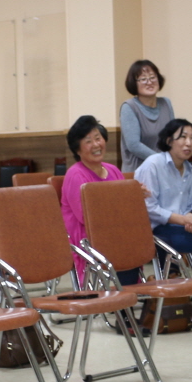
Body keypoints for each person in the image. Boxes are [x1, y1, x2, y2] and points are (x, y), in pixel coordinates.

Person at [133, 118, 192, 318]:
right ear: (169, 140)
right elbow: (147, 208)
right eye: (182, 137)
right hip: (157, 231)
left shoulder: (189, 170)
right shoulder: (153, 165)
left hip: (182, 227)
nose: (188, 143)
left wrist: (191, 219)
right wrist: (182, 220)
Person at [61, 114, 138, 286]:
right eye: (88, 141)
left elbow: (126, 206)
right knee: (125, 246)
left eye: (98, 138)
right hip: (87, 239)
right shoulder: (75, 175)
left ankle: (132, 295)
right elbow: (87, 218)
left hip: (115, 233)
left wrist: (136, 197)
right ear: (78, 149)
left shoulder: (112, 170)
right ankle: (126, 297)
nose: (96, 144)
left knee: (137, 240)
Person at [119, 59, 174, 175]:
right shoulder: (129, 107)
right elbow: (134, 145)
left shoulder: (166, 103)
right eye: (143, 79)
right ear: (134, 83)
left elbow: (173, 136)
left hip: (164, 171)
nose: (149, 82)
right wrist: (162, 160)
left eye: (152, 77)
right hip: (139, 173)